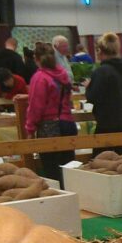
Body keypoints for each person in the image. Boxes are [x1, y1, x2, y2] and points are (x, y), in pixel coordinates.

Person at [26, 42, 76, 184]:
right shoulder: (63, 74)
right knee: (69, 169)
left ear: (36, 58)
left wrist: (30, 129)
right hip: (67, 123)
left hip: (49, 127)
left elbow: (36, 106)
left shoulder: (40, 78)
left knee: (52, 171)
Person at [86, 33, 122, 155]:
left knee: (101, 163)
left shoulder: (101, 72)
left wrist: (89, 87)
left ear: (100, 51)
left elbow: (92, 97)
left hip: (107, 125)